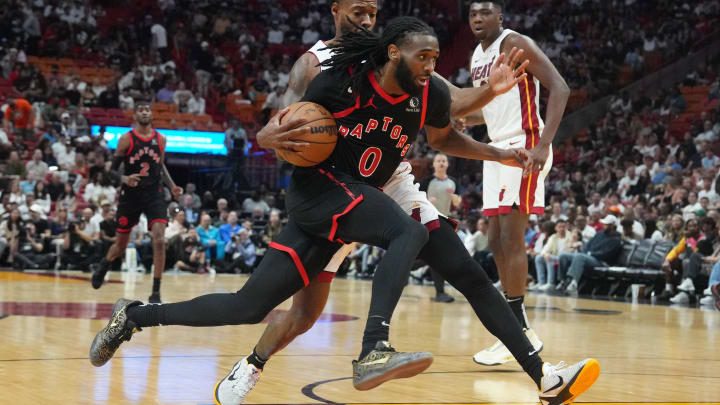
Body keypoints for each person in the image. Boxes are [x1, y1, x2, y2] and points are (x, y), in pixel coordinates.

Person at [89, 15, 598, 405]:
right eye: (423, 57)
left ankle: (547, 379)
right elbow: (284, 128)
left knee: (463, 270)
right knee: (402, 236)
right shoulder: (338, 83)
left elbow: (447, 134)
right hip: (319, 193)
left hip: (366, 195)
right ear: (393, 52)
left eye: (436, 58)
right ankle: (372, 349)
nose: (431, 67)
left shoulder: (428, 93)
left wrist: (497, 138)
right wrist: (270, 133)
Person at [465, 0, 570, 366]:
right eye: (472, 14)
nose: (478, 18)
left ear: (500, 17)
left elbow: (560, 88)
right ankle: (518, 327)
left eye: (485, 13)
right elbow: (490, 105)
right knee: (494, 239)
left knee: (511, 239)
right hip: (495, 150)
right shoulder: (477, 56)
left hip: (524, 147)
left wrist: (543, 145)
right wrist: (467, 117)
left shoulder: (515, 43)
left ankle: (519, 332)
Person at [89, 101, 182, 303]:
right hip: (130, 196)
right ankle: (105, 264)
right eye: (141, 110)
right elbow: (111, 171)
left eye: (147, 109)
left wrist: (172, 186)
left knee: (159, 238)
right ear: (135, 115)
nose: (145, 112)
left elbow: (160, 166)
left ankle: (156, 291)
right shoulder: (126, 139)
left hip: (154, 194)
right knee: (120, 247)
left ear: (151, 114)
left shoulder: (161, 139)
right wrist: (124, 179)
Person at [417, 153, 461, 302]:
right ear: (433, 164)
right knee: (433, 256)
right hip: (427, 219)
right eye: (438, 161)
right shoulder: (426, 181)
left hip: (445, 221)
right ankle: (439, 292)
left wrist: (456, 199)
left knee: (433, 256)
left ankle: (439, 292)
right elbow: (416, 200)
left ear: (447, 164)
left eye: (444, 161)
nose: (441, 163)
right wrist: (427, 200)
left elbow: (457, 203)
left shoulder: (454, 182)